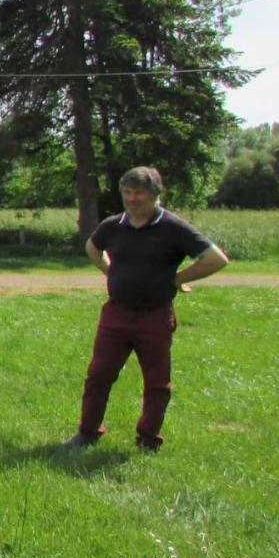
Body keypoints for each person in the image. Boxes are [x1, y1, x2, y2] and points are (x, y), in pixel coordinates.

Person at [65, 166, 229, 452]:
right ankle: (88, 432)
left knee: (156, 382)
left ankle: (148, 440)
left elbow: (216, 259)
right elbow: (92, 247)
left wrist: (178, 279)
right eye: (127, 192)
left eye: (139, 192)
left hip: (155, 315)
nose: (132, 198)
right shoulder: (113, 226)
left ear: (155, 194)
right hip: (116, 314)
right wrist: (110, 271)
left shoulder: (174, 228)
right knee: (99, 374)